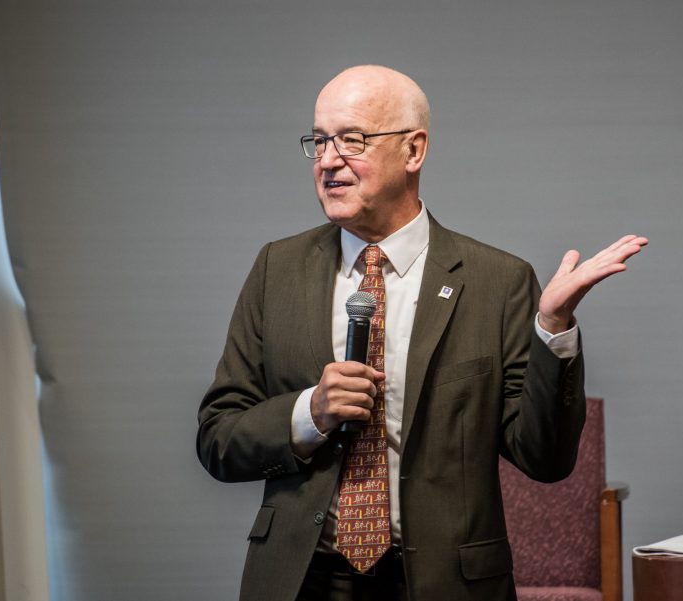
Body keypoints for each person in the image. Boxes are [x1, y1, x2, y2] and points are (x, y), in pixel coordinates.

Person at [197, 65, 647, 601]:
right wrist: (309, 412)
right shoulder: (278, 269)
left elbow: (545, 459)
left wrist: (552, 328)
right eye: (318, 142)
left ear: (413, 151)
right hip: (301, 579)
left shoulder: (497, 282)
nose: (328, 160)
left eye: (352, 139)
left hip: (442, 583)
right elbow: (218, 438)